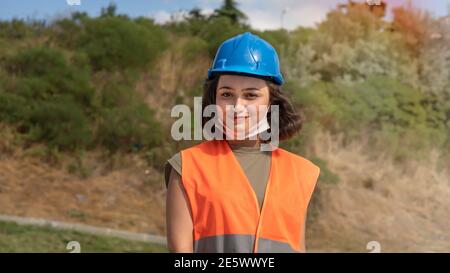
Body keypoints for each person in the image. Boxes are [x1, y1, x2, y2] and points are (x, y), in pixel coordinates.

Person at [164, 32, 320, 253]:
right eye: (227, 94)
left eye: (251, 95)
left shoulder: (301, 173)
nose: (237, 106)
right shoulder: (187, 166)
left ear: (271, 102)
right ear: (213, 100)